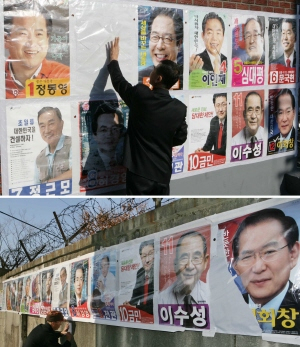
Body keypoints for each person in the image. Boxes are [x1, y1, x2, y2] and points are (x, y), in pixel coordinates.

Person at [108, 37, 187, 195]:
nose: (151, 70)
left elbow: (119, 83)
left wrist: (113, 60)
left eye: (154, 70)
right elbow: (180, 137)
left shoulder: (141, 95)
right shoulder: (179, 108)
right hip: (163, 175)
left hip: (140, 175)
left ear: (158, 78)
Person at [231, 208, 300, 334]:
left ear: (293, 254)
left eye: (269, 252)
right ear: (235, 266)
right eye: (246, 257)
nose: (258, 268)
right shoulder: (228, 309)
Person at [4, 1, 70, 99]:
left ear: (47, 39)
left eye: (39, 34)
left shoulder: (64, 76)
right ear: (6, 39)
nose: (32, 43)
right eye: (23, 33)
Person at [139, 8, 183, 88]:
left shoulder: (186, 76)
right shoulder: (140, 76)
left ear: (179, 44)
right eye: (155, 37)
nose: (159, 46)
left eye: (167, 38)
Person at [34, 107, 72, 185]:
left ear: (61, 124)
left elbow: (77, 172)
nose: (47, 131)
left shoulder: (73, 144)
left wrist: (48, 183)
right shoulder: (39, 158)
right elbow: (36, 186)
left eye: (51, 124)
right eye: (42, 126)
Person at [83, 104, 125, 173]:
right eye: (103, 130)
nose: (109, 134)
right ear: (95, 135)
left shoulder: (126, 158)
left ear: (120, 132)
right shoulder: (88, 165)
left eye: (114, 129)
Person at [123, 240, 155, 315]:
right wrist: (129, 304)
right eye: (144, 256)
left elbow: (155, 306)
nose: (147, 260)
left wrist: (137, 307)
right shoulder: (140, 272)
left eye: (150, 254)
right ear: (140, 258)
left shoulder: (161, 273)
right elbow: (136, 294)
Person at [268, 89, 295, 154]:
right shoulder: (270, 141)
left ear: (294, 113)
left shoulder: (296, 138)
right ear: (276, 117)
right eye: (280, 113)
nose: (284, 119)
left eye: (288, 111)